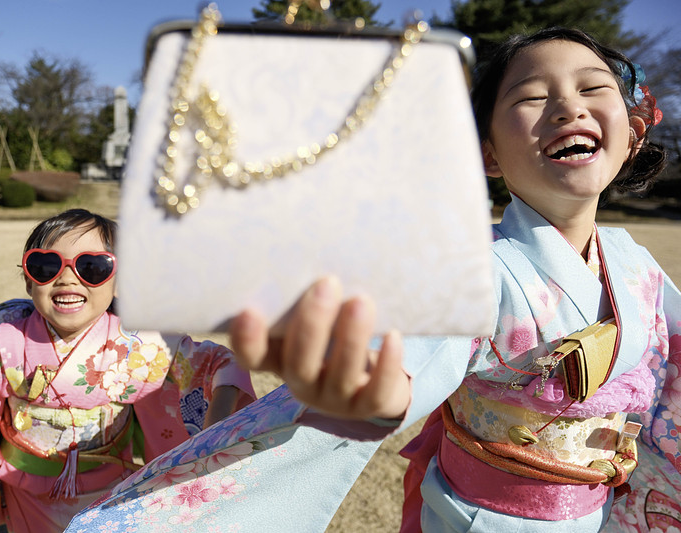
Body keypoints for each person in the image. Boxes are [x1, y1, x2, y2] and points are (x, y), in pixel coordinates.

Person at [229, 27, 680, 531]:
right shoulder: (471, 264)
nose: (567, 108)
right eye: (532, 96)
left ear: (632, 134)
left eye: (593, 88)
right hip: (484, 518)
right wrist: (374, 388)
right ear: (487, 155)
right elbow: (413, 348)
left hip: (599, 513)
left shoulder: (633, 263)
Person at [0, 209, 255, 532]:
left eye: (93, 267)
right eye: (46, 266)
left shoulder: (137, 345)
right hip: (27, 490)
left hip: (111, 490)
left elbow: (216, 365)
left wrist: (216, 428)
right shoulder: (0, 344)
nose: (68, 278)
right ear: (29, 282)